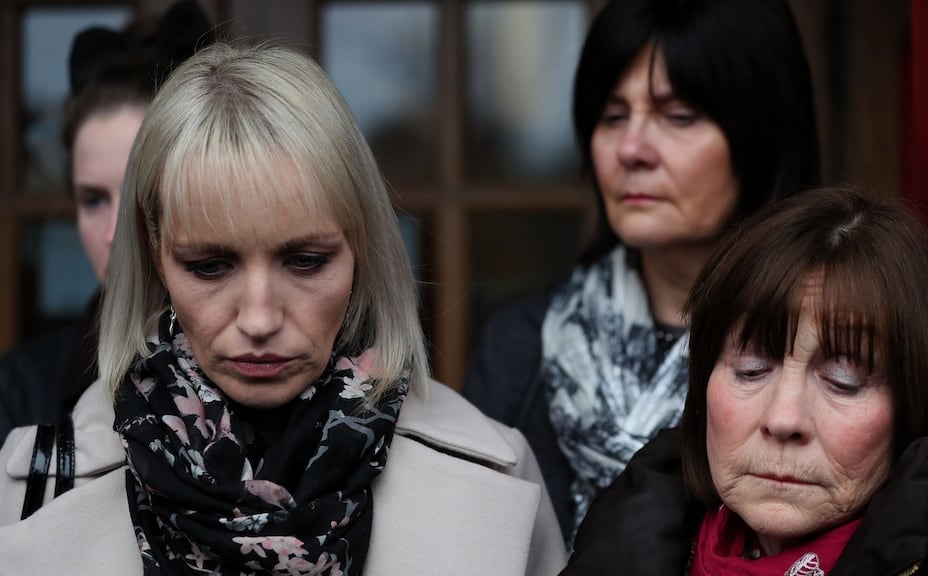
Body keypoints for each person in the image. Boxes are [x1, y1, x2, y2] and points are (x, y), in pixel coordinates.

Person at [0, 42, 565, 575]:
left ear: (362, 248)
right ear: (154, 253)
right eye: (209, 266)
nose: (260, 318)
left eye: (305, 261)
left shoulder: (494, 478)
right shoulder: (38, 485)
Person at [463, 0, 820, 539]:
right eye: (612, 116)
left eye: (678, 116)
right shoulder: (521, 349)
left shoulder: (833, 346)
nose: (631, 149)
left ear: (761, 132)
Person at [561, 186, 928, 575]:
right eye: (750, 369)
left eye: (844, 380)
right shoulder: (618, 549)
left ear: (913, 410)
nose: (783, 419)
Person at [0, 0, 212, 441]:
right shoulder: (20, 389)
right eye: (93, 199)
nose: (117, 233)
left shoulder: (276, 367)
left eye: (144, 195)